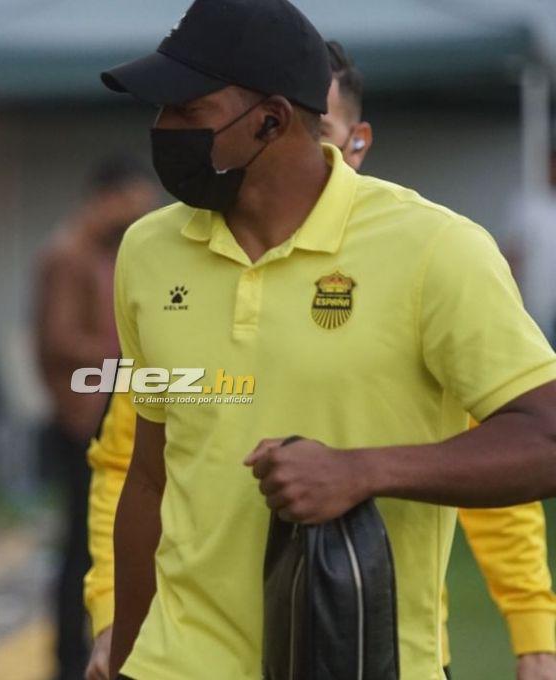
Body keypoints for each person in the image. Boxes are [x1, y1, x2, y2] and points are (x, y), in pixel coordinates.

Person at [100, 1, 556, 678]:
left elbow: (544, 435)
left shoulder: (436, 249)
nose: (161, 130)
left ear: (272, 120)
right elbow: (147, 476)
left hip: (363, 661)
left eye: (187, 111)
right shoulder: (147, 249)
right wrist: (124, 653)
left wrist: (365, 470)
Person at [34, 157, 158, 680]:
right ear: (105, 199)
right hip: (81, 418)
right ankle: (69, 661)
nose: (139, 217)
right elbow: (57, 339)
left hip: (102, 405)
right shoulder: (67, 254)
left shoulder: (102, 254)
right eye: (132, 205)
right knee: (81, 548)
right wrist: (126, 356)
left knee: (99, 543)